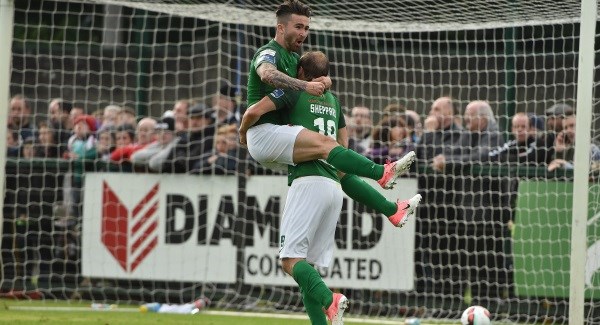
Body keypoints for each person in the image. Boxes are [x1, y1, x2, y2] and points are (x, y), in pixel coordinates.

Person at [240, 0, 418, 226]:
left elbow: (311, 77)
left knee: (338, 167)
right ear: (281, 28)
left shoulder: (296, 59)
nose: (303, 33)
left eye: (306, 28)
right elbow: (267, 75)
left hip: (283, 137)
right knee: (327, 145)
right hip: (264, 134)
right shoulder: (268, 53)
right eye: (298, 27)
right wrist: (243, 133)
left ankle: (392, 210)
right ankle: (381, 173)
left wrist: (324, 80)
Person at [431, 100, 504, 172]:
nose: (466, 118)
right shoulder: (468, 133)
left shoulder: (494, 134)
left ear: (483, 119)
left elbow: (481, 156)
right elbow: (454, 151)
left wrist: (449, 161)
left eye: (471, 115)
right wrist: (441, 158)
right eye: (466, 114)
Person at [416, 96, 463, 165]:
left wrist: (430, 131)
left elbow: (438, 157)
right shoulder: (429, 132)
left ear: (449, 113)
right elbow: (415, 156)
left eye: (436, 109)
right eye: (431, 109)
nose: (431, 113)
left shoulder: (459, 134)